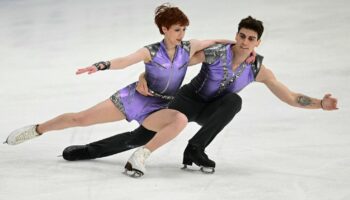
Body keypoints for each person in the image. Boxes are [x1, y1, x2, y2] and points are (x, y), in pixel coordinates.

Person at [61, 16, 338, 177]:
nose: (244, 41)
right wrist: (145, 76)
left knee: (234, 101)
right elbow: (173, 64)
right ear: (237, 35)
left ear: (258, 42)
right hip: (185, 100)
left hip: (211, 111)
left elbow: (290, 96)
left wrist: (319, 105)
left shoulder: (257, 69)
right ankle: (89, 150)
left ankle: (195, 150)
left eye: (251, 38)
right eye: (241, 35)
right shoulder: (215, 52)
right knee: (139, 138)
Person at [4, 4, 230, 149]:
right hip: (133, 99)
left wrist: (241, 47)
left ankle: (141, 157)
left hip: (159, 107)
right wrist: (100, 65)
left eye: (184, 29)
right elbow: (124, 61)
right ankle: (37, 129)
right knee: (80, 119)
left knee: (175, 121)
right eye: (177, 30)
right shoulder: (150, 51)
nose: (181, 34)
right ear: (164, 29)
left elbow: (216, 42)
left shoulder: (189, 48)